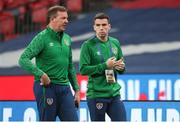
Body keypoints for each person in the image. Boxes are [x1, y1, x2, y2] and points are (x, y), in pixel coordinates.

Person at [18, 5, 80, 121]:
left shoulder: (67, 39)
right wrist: (41, 74)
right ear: (52, 19)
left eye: (67, 18)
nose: (66, 21)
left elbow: (70, 66)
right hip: (47, 88)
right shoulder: (42, 38)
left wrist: (76, 90)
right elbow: (23, 59)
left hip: (65, 88)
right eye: (63, 18)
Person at [79, 12, 127, 121]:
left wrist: (121, 68)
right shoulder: (87, 45)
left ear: (109, 26)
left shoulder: (115, 42)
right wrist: (105, 65)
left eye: (104, 25)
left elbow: (122, 67)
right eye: (98, 25)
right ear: (94, 27)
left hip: (114, 93)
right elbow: (83, 70)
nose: (101, 28)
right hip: (96, 95)